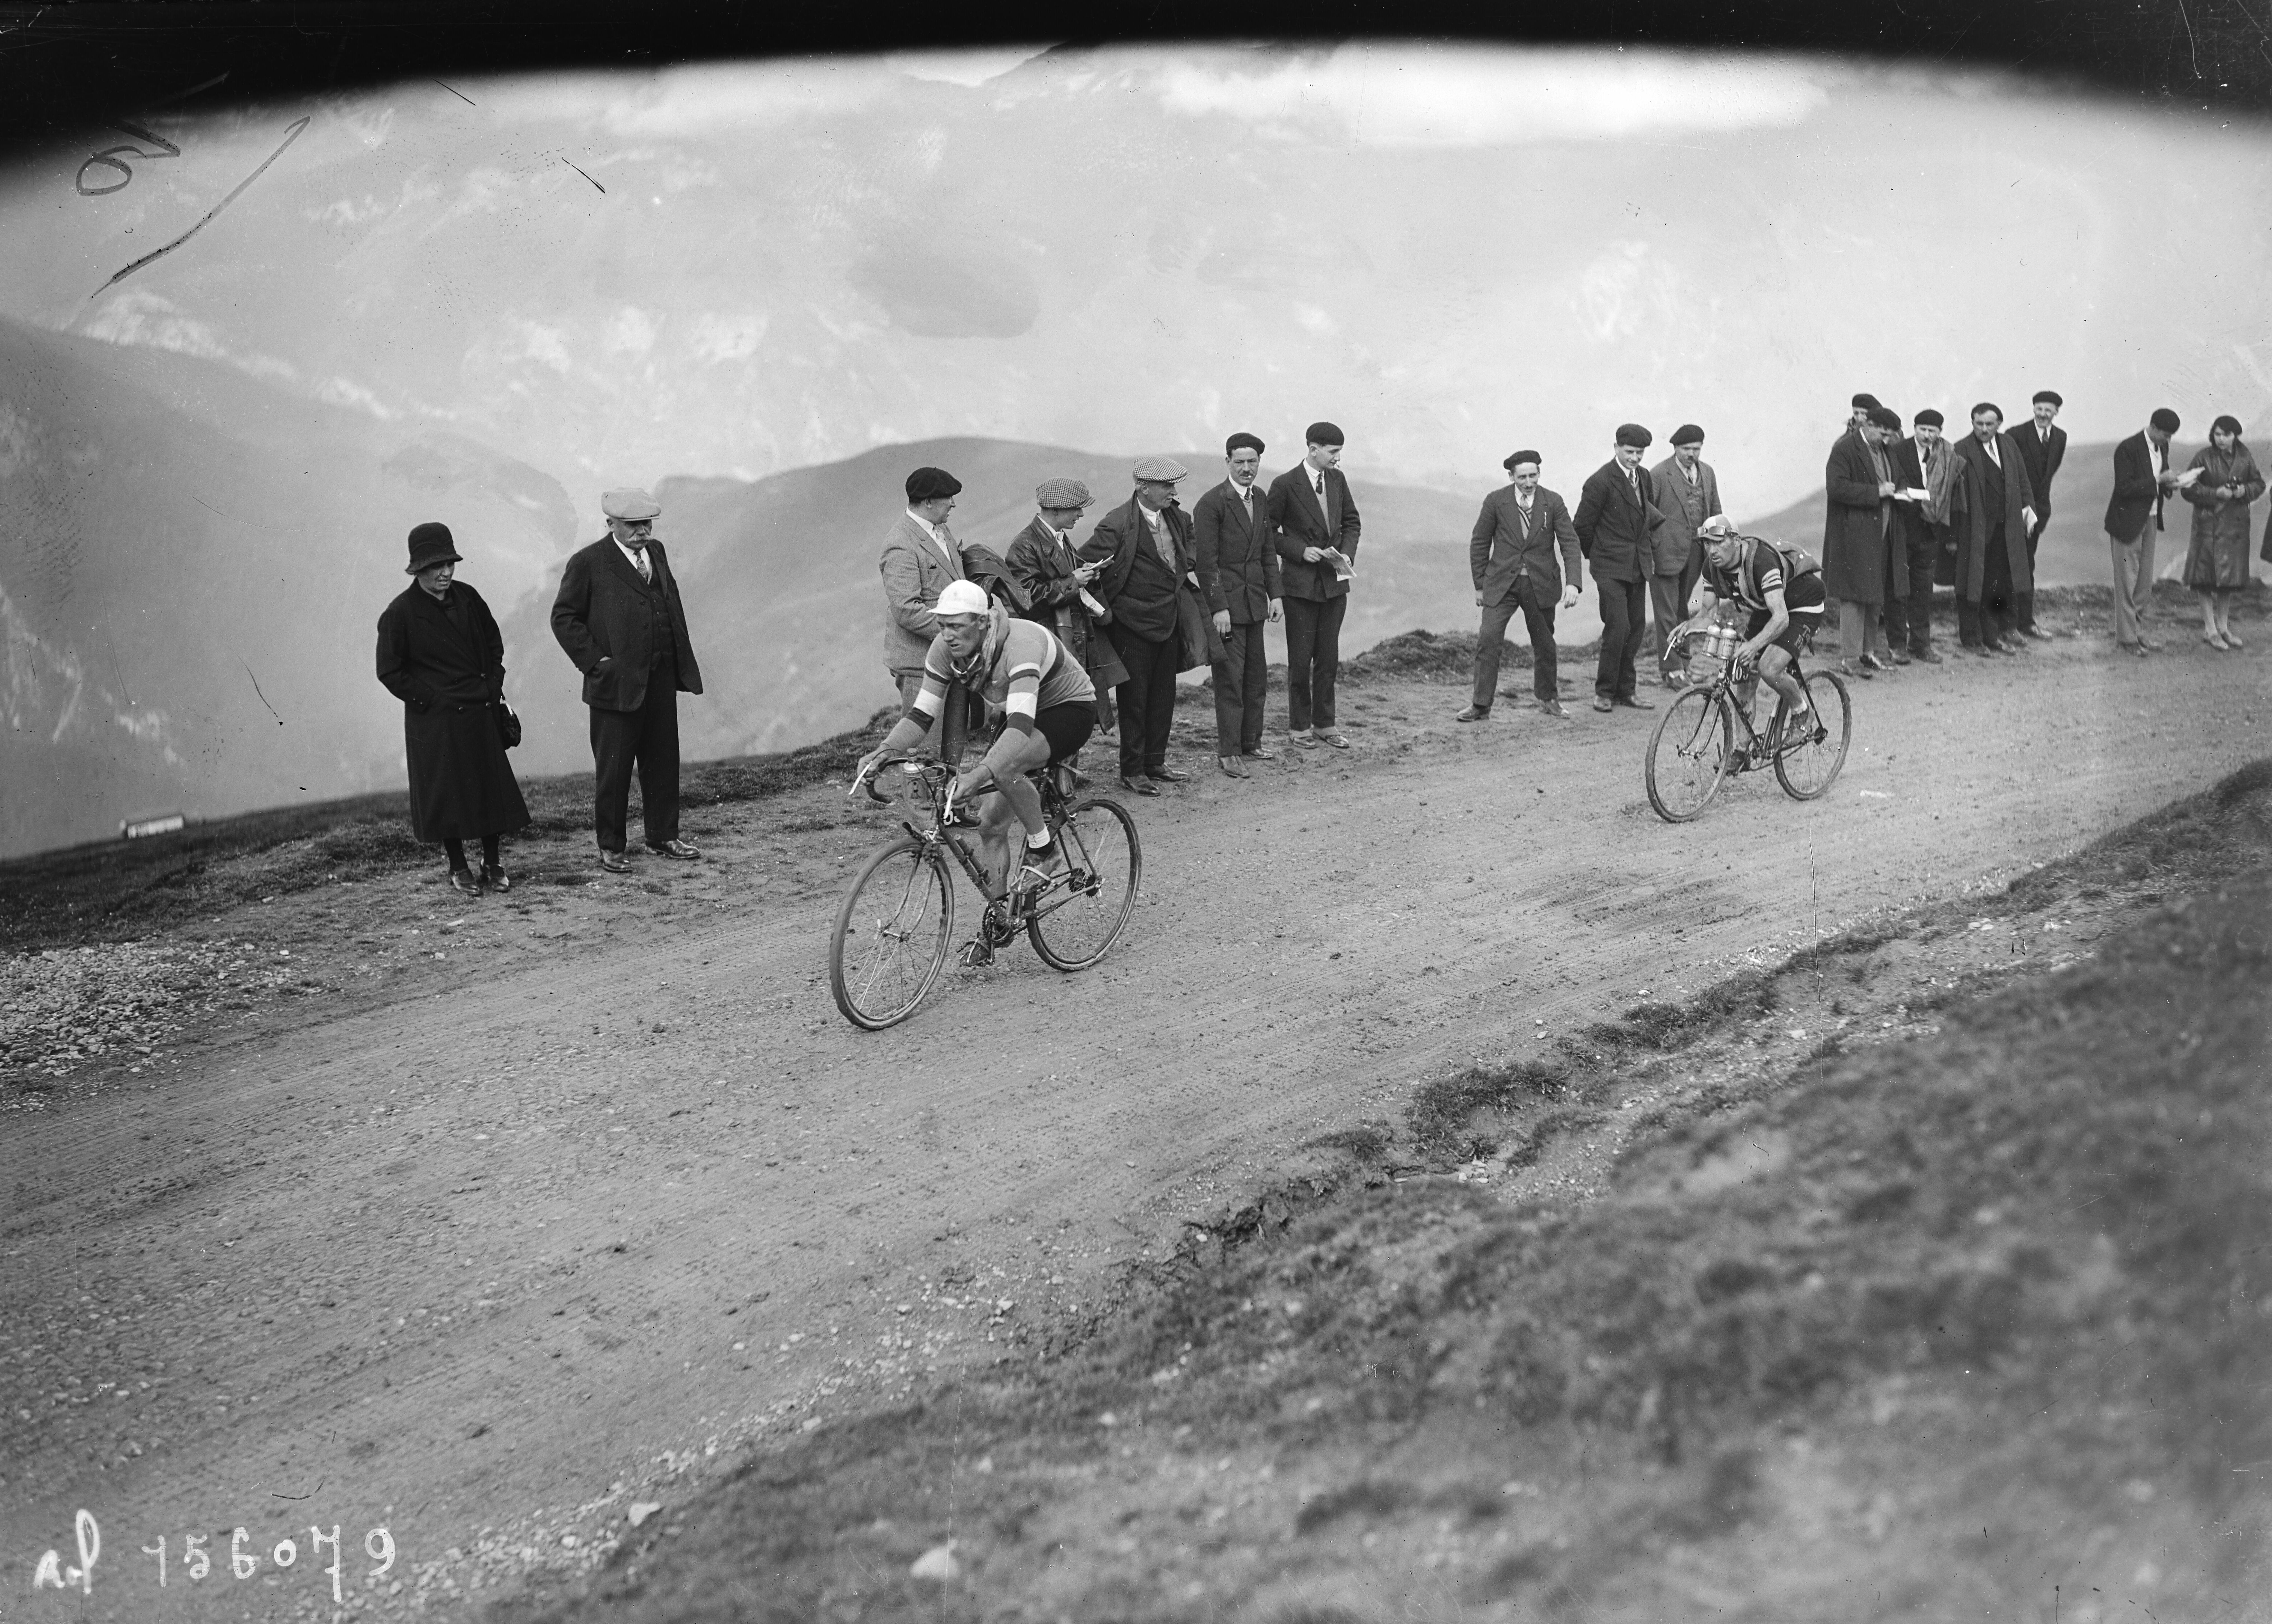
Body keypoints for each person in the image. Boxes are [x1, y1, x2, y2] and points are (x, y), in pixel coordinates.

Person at [855, 579, 1096, 902]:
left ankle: (1045, 849)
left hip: (1069, 709)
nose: (947, 635)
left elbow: (1019, 729)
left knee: (1005, 766)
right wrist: (884, 752)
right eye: (942, 626)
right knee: (990, 826)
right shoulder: (944, 649)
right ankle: (998, 921)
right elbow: (920, 717)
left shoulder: (1020, 646)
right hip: (1023, 709)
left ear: (983, 622)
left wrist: (979, 775)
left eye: (956, 626)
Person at [549, 489, 704, 872]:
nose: (642, 531)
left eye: (647, 523)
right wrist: (597, 663)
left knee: (663, 761)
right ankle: (612, 846)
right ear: (611, 524)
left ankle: (662, 835)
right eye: (633, 525)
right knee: (614, 769)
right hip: (615, 687)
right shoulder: (588, 562)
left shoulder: (658, 553)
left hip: (660, 680)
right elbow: (563, 618)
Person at [376, 522, 530, 897]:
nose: (445, 572)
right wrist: (432, 700)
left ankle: (492, 862)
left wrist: (493, 684)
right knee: (449, 795)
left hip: (480, 709)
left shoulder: (469, 598)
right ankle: (458, 865)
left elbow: (494, 645)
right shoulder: (400, 614)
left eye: (450, 564)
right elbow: (390, 672)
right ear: (417, 569)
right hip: (438, 722)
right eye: (436, 566)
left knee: (488, 790)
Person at [1079, 456, 1203, 796]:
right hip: (1131, 626)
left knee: (1164, 695)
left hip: (1169, 620)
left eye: (1174, 486)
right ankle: (1132, 771)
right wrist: (1107, 609)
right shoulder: (1116, 524)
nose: (1173, 492)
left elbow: (1190, 548)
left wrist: (1183, 562)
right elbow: (1085, 564)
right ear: (1142, 488)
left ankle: (1155, 763)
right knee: (1134, 699)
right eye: (1167, 486)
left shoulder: (1178, 518)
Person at [1459, 450, 1581, 721]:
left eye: (1534, 475)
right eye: (1523, 477)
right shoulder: (1496, 501)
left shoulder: (1554, 501)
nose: (1529, 482)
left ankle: (1549, 699)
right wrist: (1480, 585)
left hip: (1541, 584)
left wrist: (1573, 583)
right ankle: (1481, 705)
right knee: (1489, 639)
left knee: (1544, 642)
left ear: (1540, 473)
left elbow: (1570, 543)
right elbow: (1480, 542)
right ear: (1511, 476)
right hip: (1501, 583)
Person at [1190, 432, 1283, 776]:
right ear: (1227, 462)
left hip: (1255, 604)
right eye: (1240, 462)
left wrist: (1275, 595)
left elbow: (1268, 552)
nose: (1247, 469)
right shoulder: (1212, 503)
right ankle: (1229, 752)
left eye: (1253, 462)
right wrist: (1219, 609)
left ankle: (1251, 743)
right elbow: (1206, 562)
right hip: (1228, 609)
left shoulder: (1260, 498)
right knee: (1230, 679)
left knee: (1256, 678)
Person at [1004, 477, 1126, 736]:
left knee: (1069, 711)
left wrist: (1085, 577)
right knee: (1055, 714)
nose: (1081, 514)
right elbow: (1027, 599)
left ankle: (1065, 776)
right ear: (1055, 510)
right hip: (1049, 643)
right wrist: (1074, 581)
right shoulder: (1024, 545)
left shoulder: (1058, 537)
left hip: (1067, 640)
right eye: (1076, 508)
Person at [1267, 421, 1361, 749]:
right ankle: (1299, 728)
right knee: (1300, 659)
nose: (1338, 459)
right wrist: (1300, 551)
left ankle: (1325, 725)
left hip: (1334, 585)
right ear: (1313, 449)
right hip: (1299, 587)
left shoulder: (1338, 480)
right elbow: (1268, 533)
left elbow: (1352, 522)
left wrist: (1345, 555)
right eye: (1333, 453)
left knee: (1328, 657)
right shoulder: (1284, 485)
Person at [1688, 528, 1829, 736]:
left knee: (1769, 668)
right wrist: (1685, 628)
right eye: (1707, 544)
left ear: (1736, 540)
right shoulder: (1711, 568)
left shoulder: (1761, 561)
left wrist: (1753, 646)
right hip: (1768, 608)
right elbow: (1707, 610)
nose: (1712, 550)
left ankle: (1802, 710)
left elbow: (1781, 618)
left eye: (1718, 543)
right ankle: (1740, 751)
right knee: (1743, 676)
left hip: (1802, 606)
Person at [1573, 423, 1663, 713]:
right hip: (1609, 568)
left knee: (1635, 629)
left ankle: (1627, 691)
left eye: (1640, 453)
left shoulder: (1644, 478)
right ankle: (1604, 692)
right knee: (1618, 627)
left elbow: (1645, 514)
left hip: (1638, 566)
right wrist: (1599, 557)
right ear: (1616, 449)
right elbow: (1582, 528)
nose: (1635, 458)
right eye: (1629, 452)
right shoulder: (1599, 482)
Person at [1946, 403, 2039, 656]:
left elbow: (2022, 480)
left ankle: (1997, 632)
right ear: (1973, 423)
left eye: (1989, 424)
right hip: (1974, 532)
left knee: (2000, 583)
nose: (1984, 429)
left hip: (2006, 530)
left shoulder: (2008, 444)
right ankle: (1973, 639)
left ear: (1999, 423)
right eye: (1979, 424)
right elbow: (1952, 498)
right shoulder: (1961, 450)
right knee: (1971, 585)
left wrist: (2028, 510)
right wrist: (1953, 537)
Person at [1822, 406, 1903, 679]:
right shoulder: (1845, 449)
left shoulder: (1887, 450)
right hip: (1854, 535)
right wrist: (1875, 492)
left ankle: (1868, 654)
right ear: (1867, 425)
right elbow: (1836, 487)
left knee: (1874, 596)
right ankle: (1849, 657)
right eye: (1882, 433)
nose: (1887, 439)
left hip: (1882, 531)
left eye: (1890, 435)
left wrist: (1903, 492)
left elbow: (1896, 478)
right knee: (1853, 598)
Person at [880, 466, 969, 711]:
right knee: (926, 746)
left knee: (952, 742)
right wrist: (959, 631)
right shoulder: (901, 543)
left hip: (948, 657)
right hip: (921, 664)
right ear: (928, 502)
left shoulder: (941, 531)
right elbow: (907, 609)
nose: (953, 504)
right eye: (948, 498)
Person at [2104, 408, 2186, 655]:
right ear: (2153, 427)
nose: (2168, 440)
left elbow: (2161, 481)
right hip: (2127, 522)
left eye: (2172, 436)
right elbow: (2125, 488)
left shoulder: (2163, 448)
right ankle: (2127, 640)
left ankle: (2137, 634)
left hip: (2151, 519)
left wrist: (2173, 484)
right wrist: (2159, 480)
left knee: (2144, 583)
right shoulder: (2128, 448)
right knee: (2126, 581)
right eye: (2166, 435)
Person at [2179, 414, 2263, 651]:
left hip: (2235, 527)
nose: (2221, 439)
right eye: (2217, 434)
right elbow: (2187, 489)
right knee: (2205, 579)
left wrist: (2244, 491)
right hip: (2208, 526)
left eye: (2226, 435)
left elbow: (2259, 484)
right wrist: (2216, 493)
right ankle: (2210, 630)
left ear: (2235, 435)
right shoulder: (2203, 457)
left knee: (2228, 580)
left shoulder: (2245, 457)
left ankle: (2224, 628)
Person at [1647, 425, 1723, 688]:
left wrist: (1717, 546)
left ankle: (1683, 663)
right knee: (1667, 612)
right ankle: (1672, 671)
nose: (1692, 454)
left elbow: (1715, 512)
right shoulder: (1658, 474)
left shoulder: (1708, 473)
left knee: (1684, 610)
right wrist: (1651, 554)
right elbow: (1646, 516)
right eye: (1687, 449)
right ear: (1675, 448)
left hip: (1696, 553)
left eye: (1697, 449)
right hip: (1664, 554)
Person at [1886, 409, 1961, 664]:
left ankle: (1921, 644)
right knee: (1898, 589)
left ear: (1940, 432)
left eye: (1933, 431)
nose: (1927, 436)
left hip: (1930, 533)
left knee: (1923, 591)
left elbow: (1951, 493)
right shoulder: (1898, 451)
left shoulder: (1947, 454)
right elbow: (1892, 483)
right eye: (1923, 430)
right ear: (1914, 428)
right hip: (1903, 530)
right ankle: (1897, 646)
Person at [2009, 390, 2066, 641]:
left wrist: (2038, 511)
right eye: (2039, 409)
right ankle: (2007, 624)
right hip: (2015, 511)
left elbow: (2048, 476)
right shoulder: (2016, 435)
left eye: (2048, 410)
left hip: (2038, 513)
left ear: (2056, 412)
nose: (2043, 414)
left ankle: (2026, 622)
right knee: (2010, 566)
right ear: (2033, 409)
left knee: (2028, 565)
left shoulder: (2060, 438)